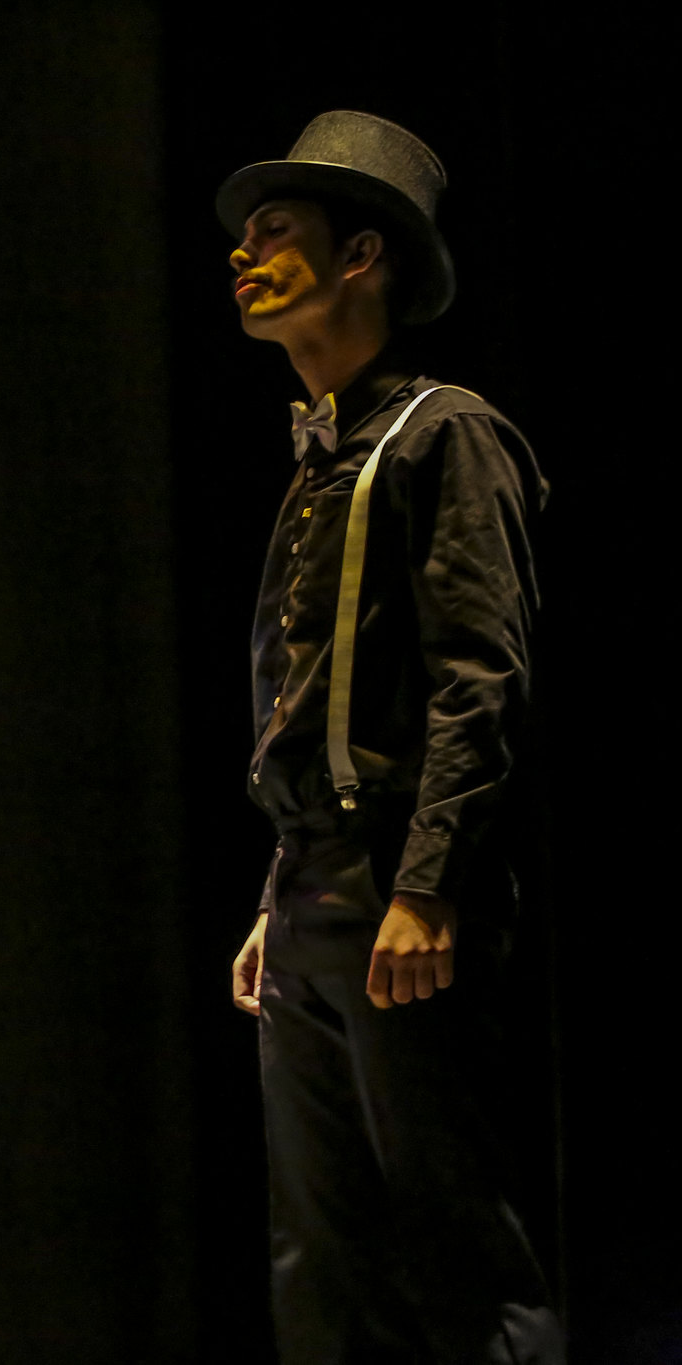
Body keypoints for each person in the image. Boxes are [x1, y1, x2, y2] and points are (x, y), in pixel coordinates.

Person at [217, 114, 563, 1362]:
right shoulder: (320, 459)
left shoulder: (441, 433)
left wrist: (423, 886)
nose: (241, 253)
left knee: (450, 1238)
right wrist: (279, 892)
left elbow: (479, 680)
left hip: (398, 887)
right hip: (314, 892)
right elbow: (311, 711)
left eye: (274, 232)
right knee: (321, 1252)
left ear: (359, 255)